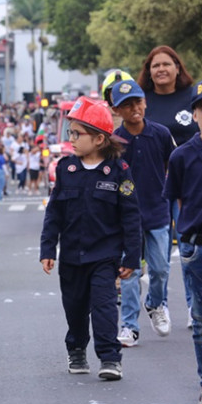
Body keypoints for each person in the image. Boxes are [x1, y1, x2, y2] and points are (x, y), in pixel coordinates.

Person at [40, 96, 141, 381]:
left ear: (98, 139)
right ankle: (76, 349)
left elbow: (131, 217)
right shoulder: (65, 169)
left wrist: (131, 256)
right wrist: (48, 248)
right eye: (70, 132)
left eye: (77, 133)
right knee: (74, 309)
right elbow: (54, 213)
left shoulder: (119, 172)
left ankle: (110, 358)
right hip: (71, 256)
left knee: (104, 307)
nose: (71, 138)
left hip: (104, 256)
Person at [163, 76, 202, 404]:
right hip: (198, 251)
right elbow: (178, 202)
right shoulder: (182, 157)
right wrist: (188, 243)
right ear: (194, 115)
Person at [110, 80, 176, 347]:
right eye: (126, 105)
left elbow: (176, 165)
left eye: (137, 102)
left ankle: (155, 303)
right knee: (129, 272)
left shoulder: (161, 133)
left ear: (145, 103)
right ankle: (129, 325)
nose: (134, 108)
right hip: (126, 218)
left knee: (160, 269)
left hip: (158, 212)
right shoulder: (113, 141)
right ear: (117, 109)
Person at [137, 45, 199, 327]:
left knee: (190, 247)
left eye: (166, 64)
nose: (160, 69)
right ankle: (158, 304)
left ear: (177, 67)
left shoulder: (192, 97)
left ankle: (194, 307)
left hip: (191, 186)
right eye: (155, 65)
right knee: (159, 257)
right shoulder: (141, 100)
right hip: (153, 189)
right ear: (148, 72)